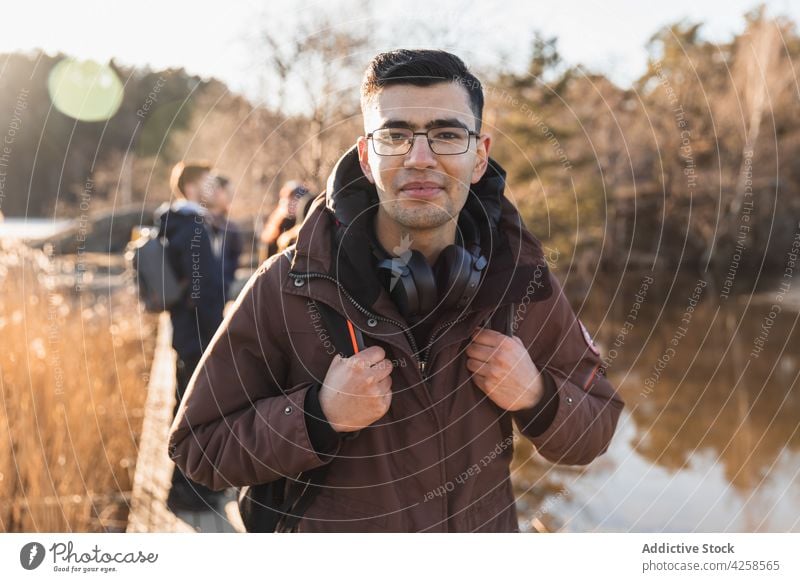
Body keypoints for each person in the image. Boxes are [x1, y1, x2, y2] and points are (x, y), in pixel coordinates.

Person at [168, 50, 624, 532]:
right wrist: (317, 417)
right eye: (396, 135)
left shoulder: (521, 283)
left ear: (479, 157)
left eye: (448, 135)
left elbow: (597, 425)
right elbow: (199, 448)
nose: (420, 159)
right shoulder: (288, 285)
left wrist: (538, 396)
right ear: (366, 156)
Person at [157, 161, 227, 512]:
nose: (213, 187)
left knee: (190, 404)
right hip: (197, 332)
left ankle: (189, 487)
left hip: (190, 330)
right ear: (190, 186)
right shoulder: (190, 223)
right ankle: (187, 492)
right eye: (207, 182)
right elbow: (202, 286)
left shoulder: (183, 221)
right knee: (193, 408)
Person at [208, 174, 243, 299]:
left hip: (220, 292)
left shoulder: (231, 227)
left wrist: (225, 283)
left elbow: (234, 258)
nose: (230, 196)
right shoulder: (198, 223)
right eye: (227, 191)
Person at [258, 180, 310, 262]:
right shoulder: (277, 226)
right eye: (290, 198)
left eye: (296, 199)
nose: (292, 203)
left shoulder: (309, 224)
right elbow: (265, 263)